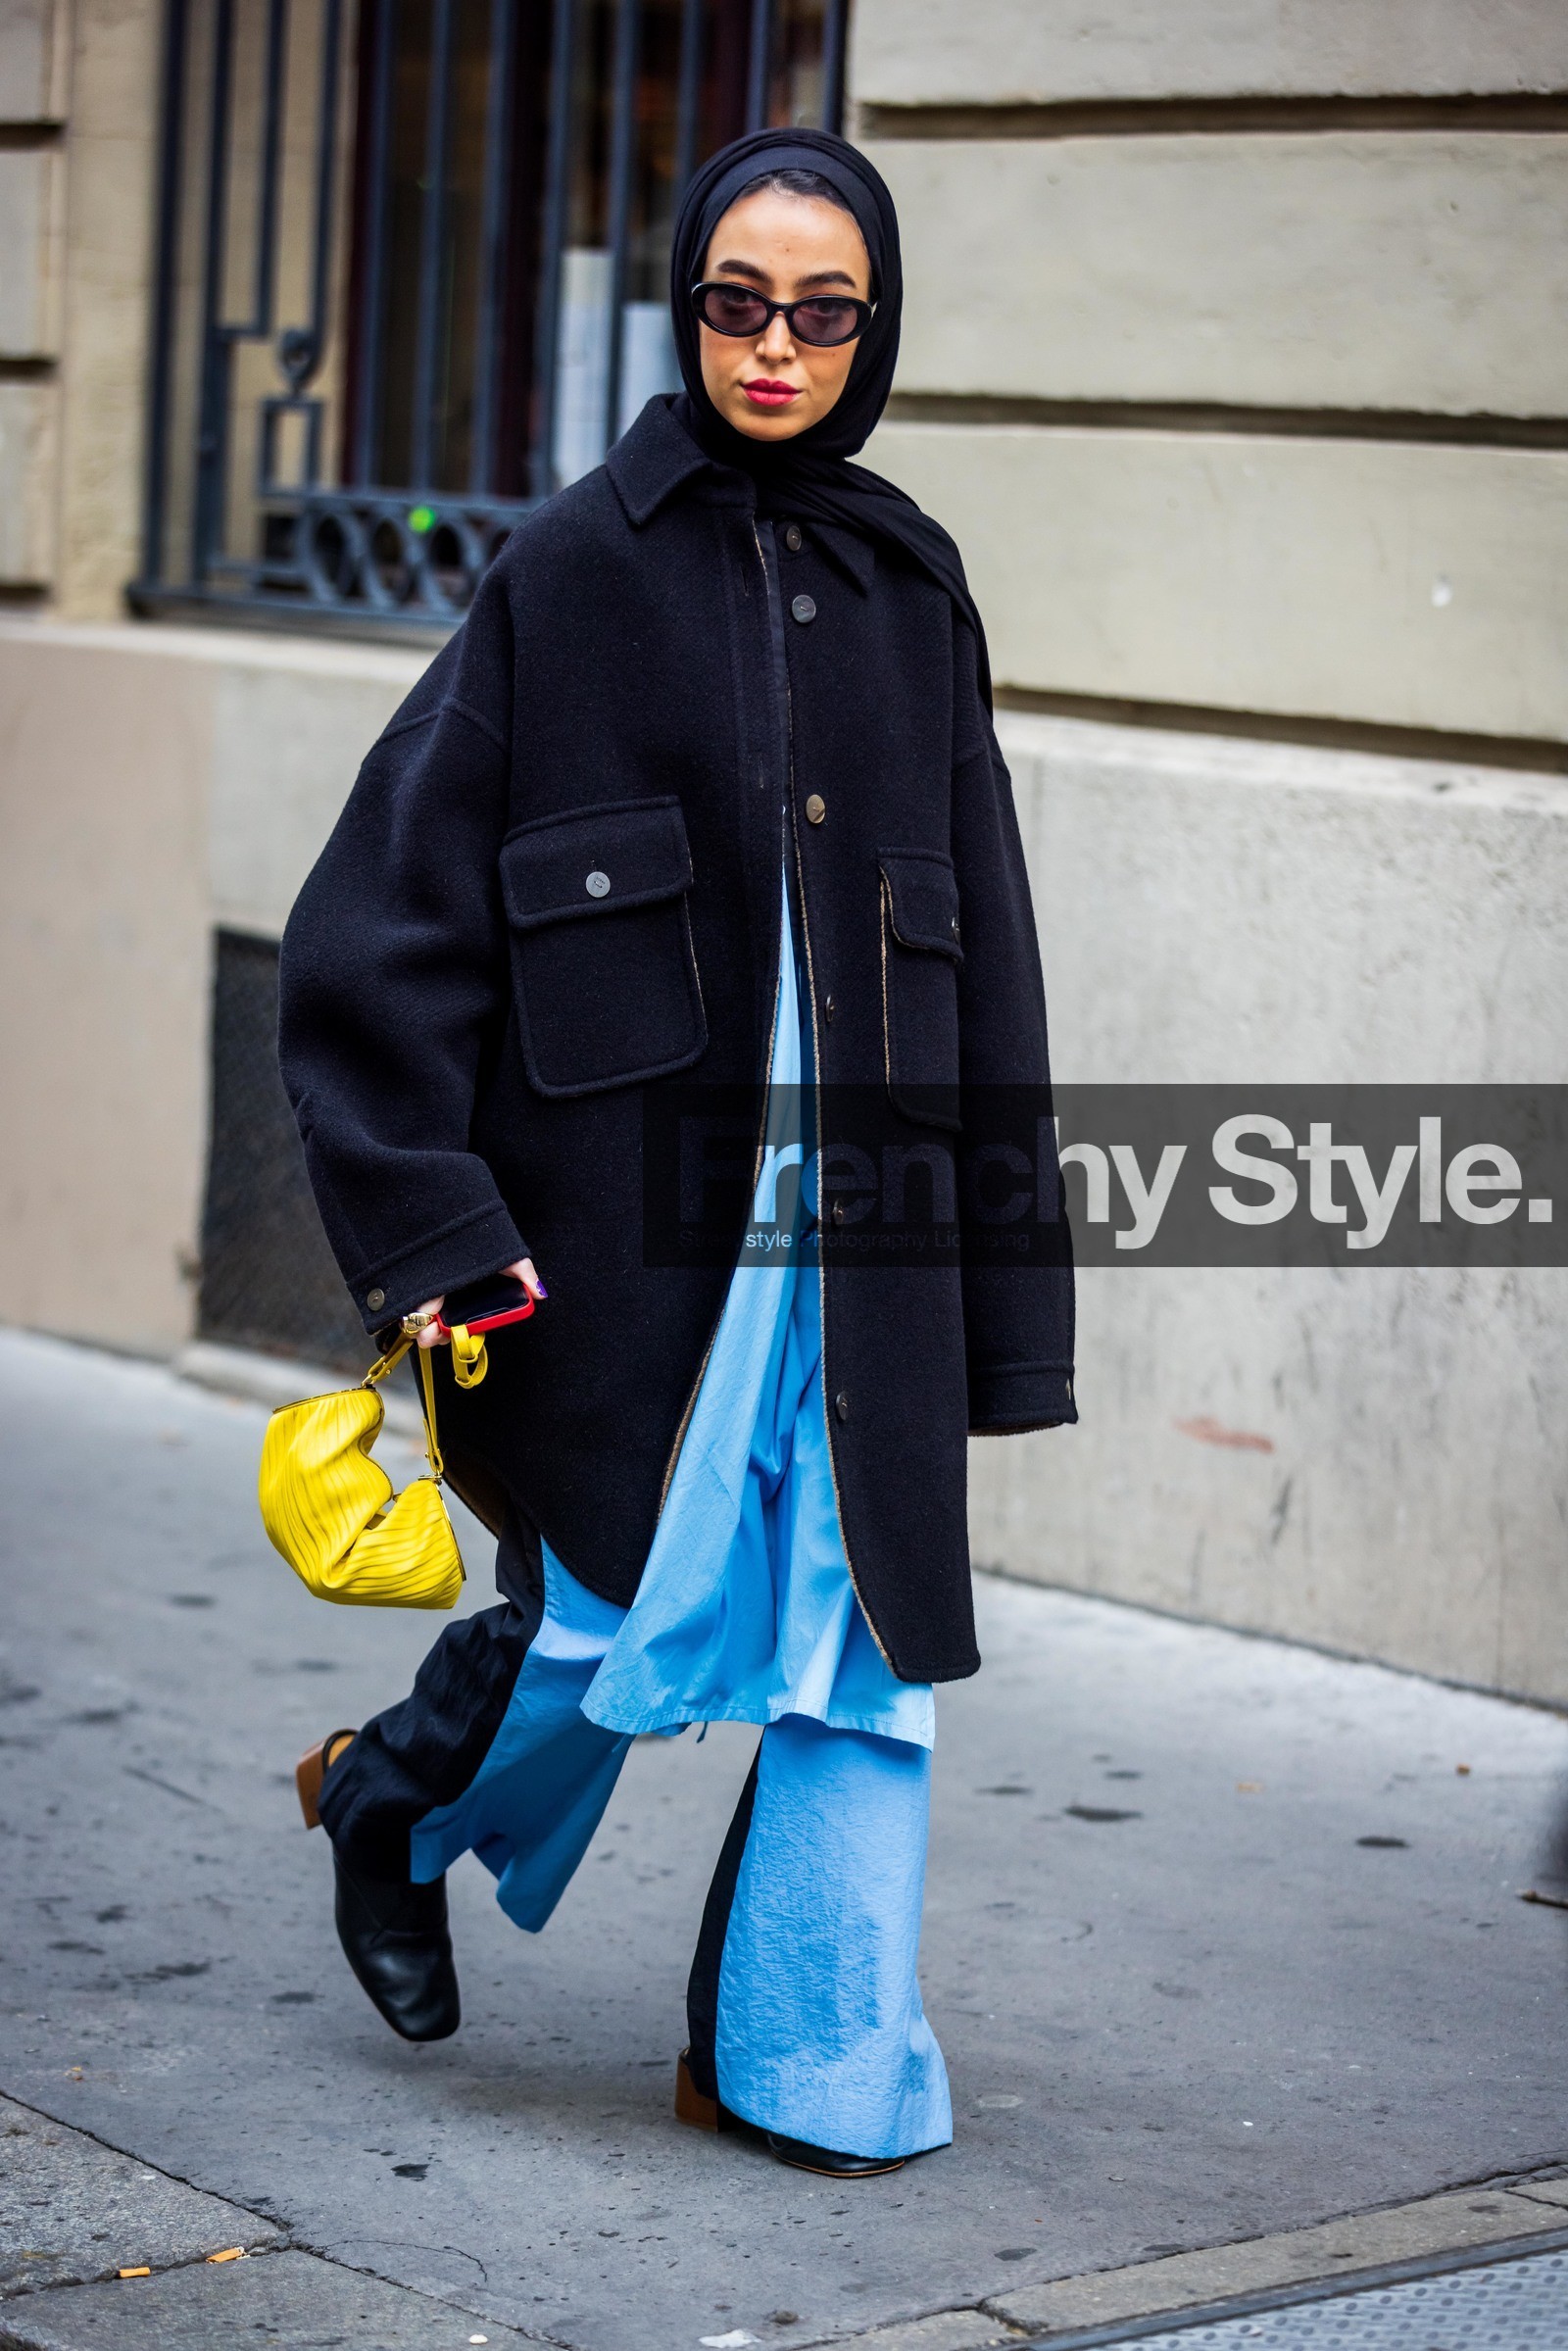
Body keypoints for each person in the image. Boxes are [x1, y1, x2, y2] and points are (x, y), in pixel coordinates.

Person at [277, 126, 1075, 2180]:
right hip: (616, 1241)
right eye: (737, 303)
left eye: (823, 312)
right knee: (599, 1620)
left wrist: (1005, 1297)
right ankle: (394, 1801)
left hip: (865, 1236)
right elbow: (374, 926)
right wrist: (432, 1225)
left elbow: (983, 955)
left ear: (874, 330)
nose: (775, 347)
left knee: (863, 1639)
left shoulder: (913, 586)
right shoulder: (569, 570)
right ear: (685, 311)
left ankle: (803, 2060)